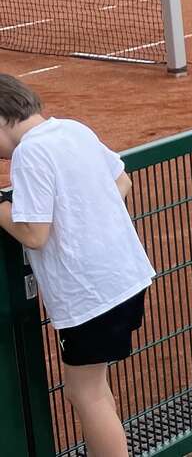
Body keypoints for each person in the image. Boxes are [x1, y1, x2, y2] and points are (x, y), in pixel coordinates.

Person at [0, 75, 154, 457]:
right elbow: (122, 181)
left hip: (90, 295)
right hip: (124, 278)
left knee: (87, 394)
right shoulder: (73, 129)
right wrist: (82, 216)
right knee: (91, 388)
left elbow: (34, 233)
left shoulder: (29, 153)